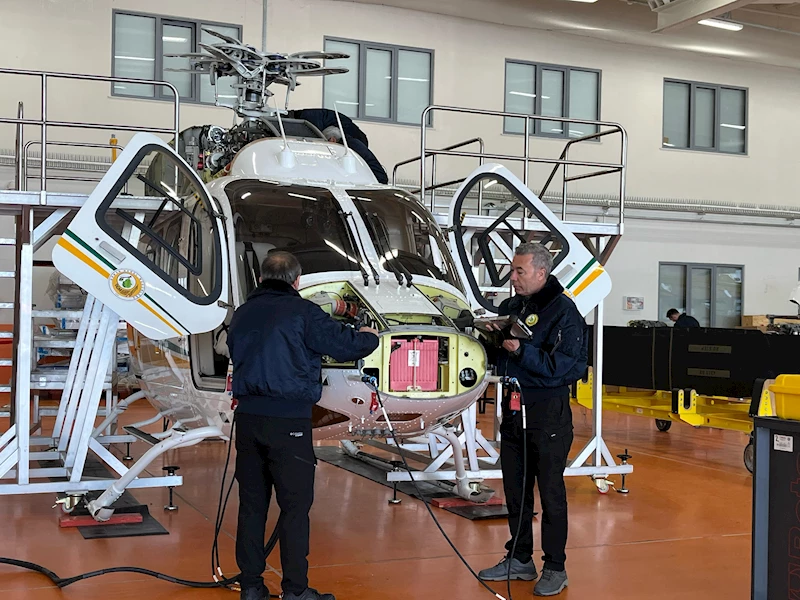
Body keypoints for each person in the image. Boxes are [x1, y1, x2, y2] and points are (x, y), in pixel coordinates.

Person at [227, 251, 380, 600]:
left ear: (261, 278)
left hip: (248, 420)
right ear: (296, 281)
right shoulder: (303, 312)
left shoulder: (242, 314)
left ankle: (251, 587)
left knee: (252, 506)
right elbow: (344, 347)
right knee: (295, 508)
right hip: (289, 422)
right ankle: (295, 590)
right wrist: (369, 335)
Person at [477, 242, 587, 597]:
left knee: (551, 492)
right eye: (512, 271)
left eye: (519, 272)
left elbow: (563, 368)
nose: (513, 278)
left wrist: (521, 350)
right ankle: (520, 556)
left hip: (547, 411)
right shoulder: (514, 307)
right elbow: (502, 356)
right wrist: (491, 336)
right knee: (516, 488)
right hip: (513, 406)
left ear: (542, 272)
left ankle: (555, 566)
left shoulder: (565, 313)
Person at [321, 125, 388, 184]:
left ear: (333, 139)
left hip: (376, 179)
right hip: (375, 176)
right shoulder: (349, 142)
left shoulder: (347, 148)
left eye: (327, 142)